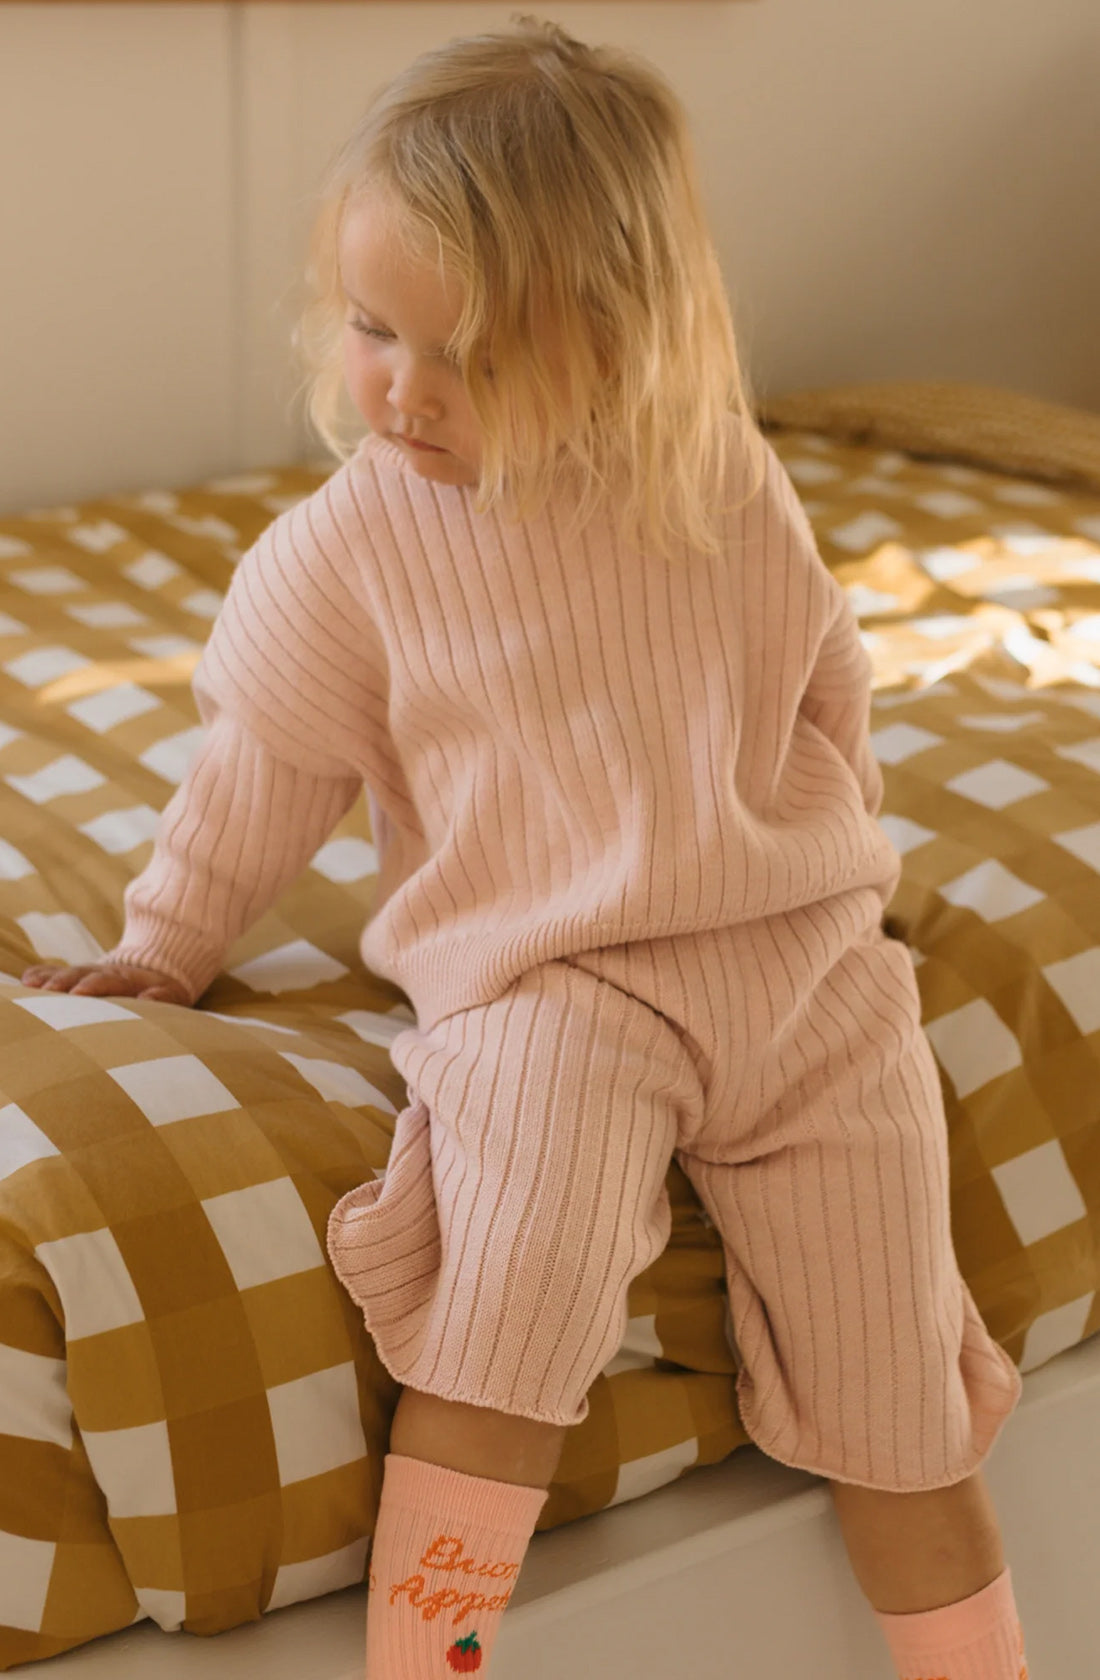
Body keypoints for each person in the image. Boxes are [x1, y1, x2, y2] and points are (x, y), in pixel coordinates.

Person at [22, 14, 1030, 1680]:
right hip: (546, 981)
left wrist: (840, 876)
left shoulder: (716, 474)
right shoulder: (348, 552)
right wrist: (164, 943)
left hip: (794, 965)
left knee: (902, 1381)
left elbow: (822, 689)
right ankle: (435, 1658)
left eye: (469, 356)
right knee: (507, 1299)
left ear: (625, 340)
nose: (403, 391)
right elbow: (262, 766)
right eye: (370, 330)